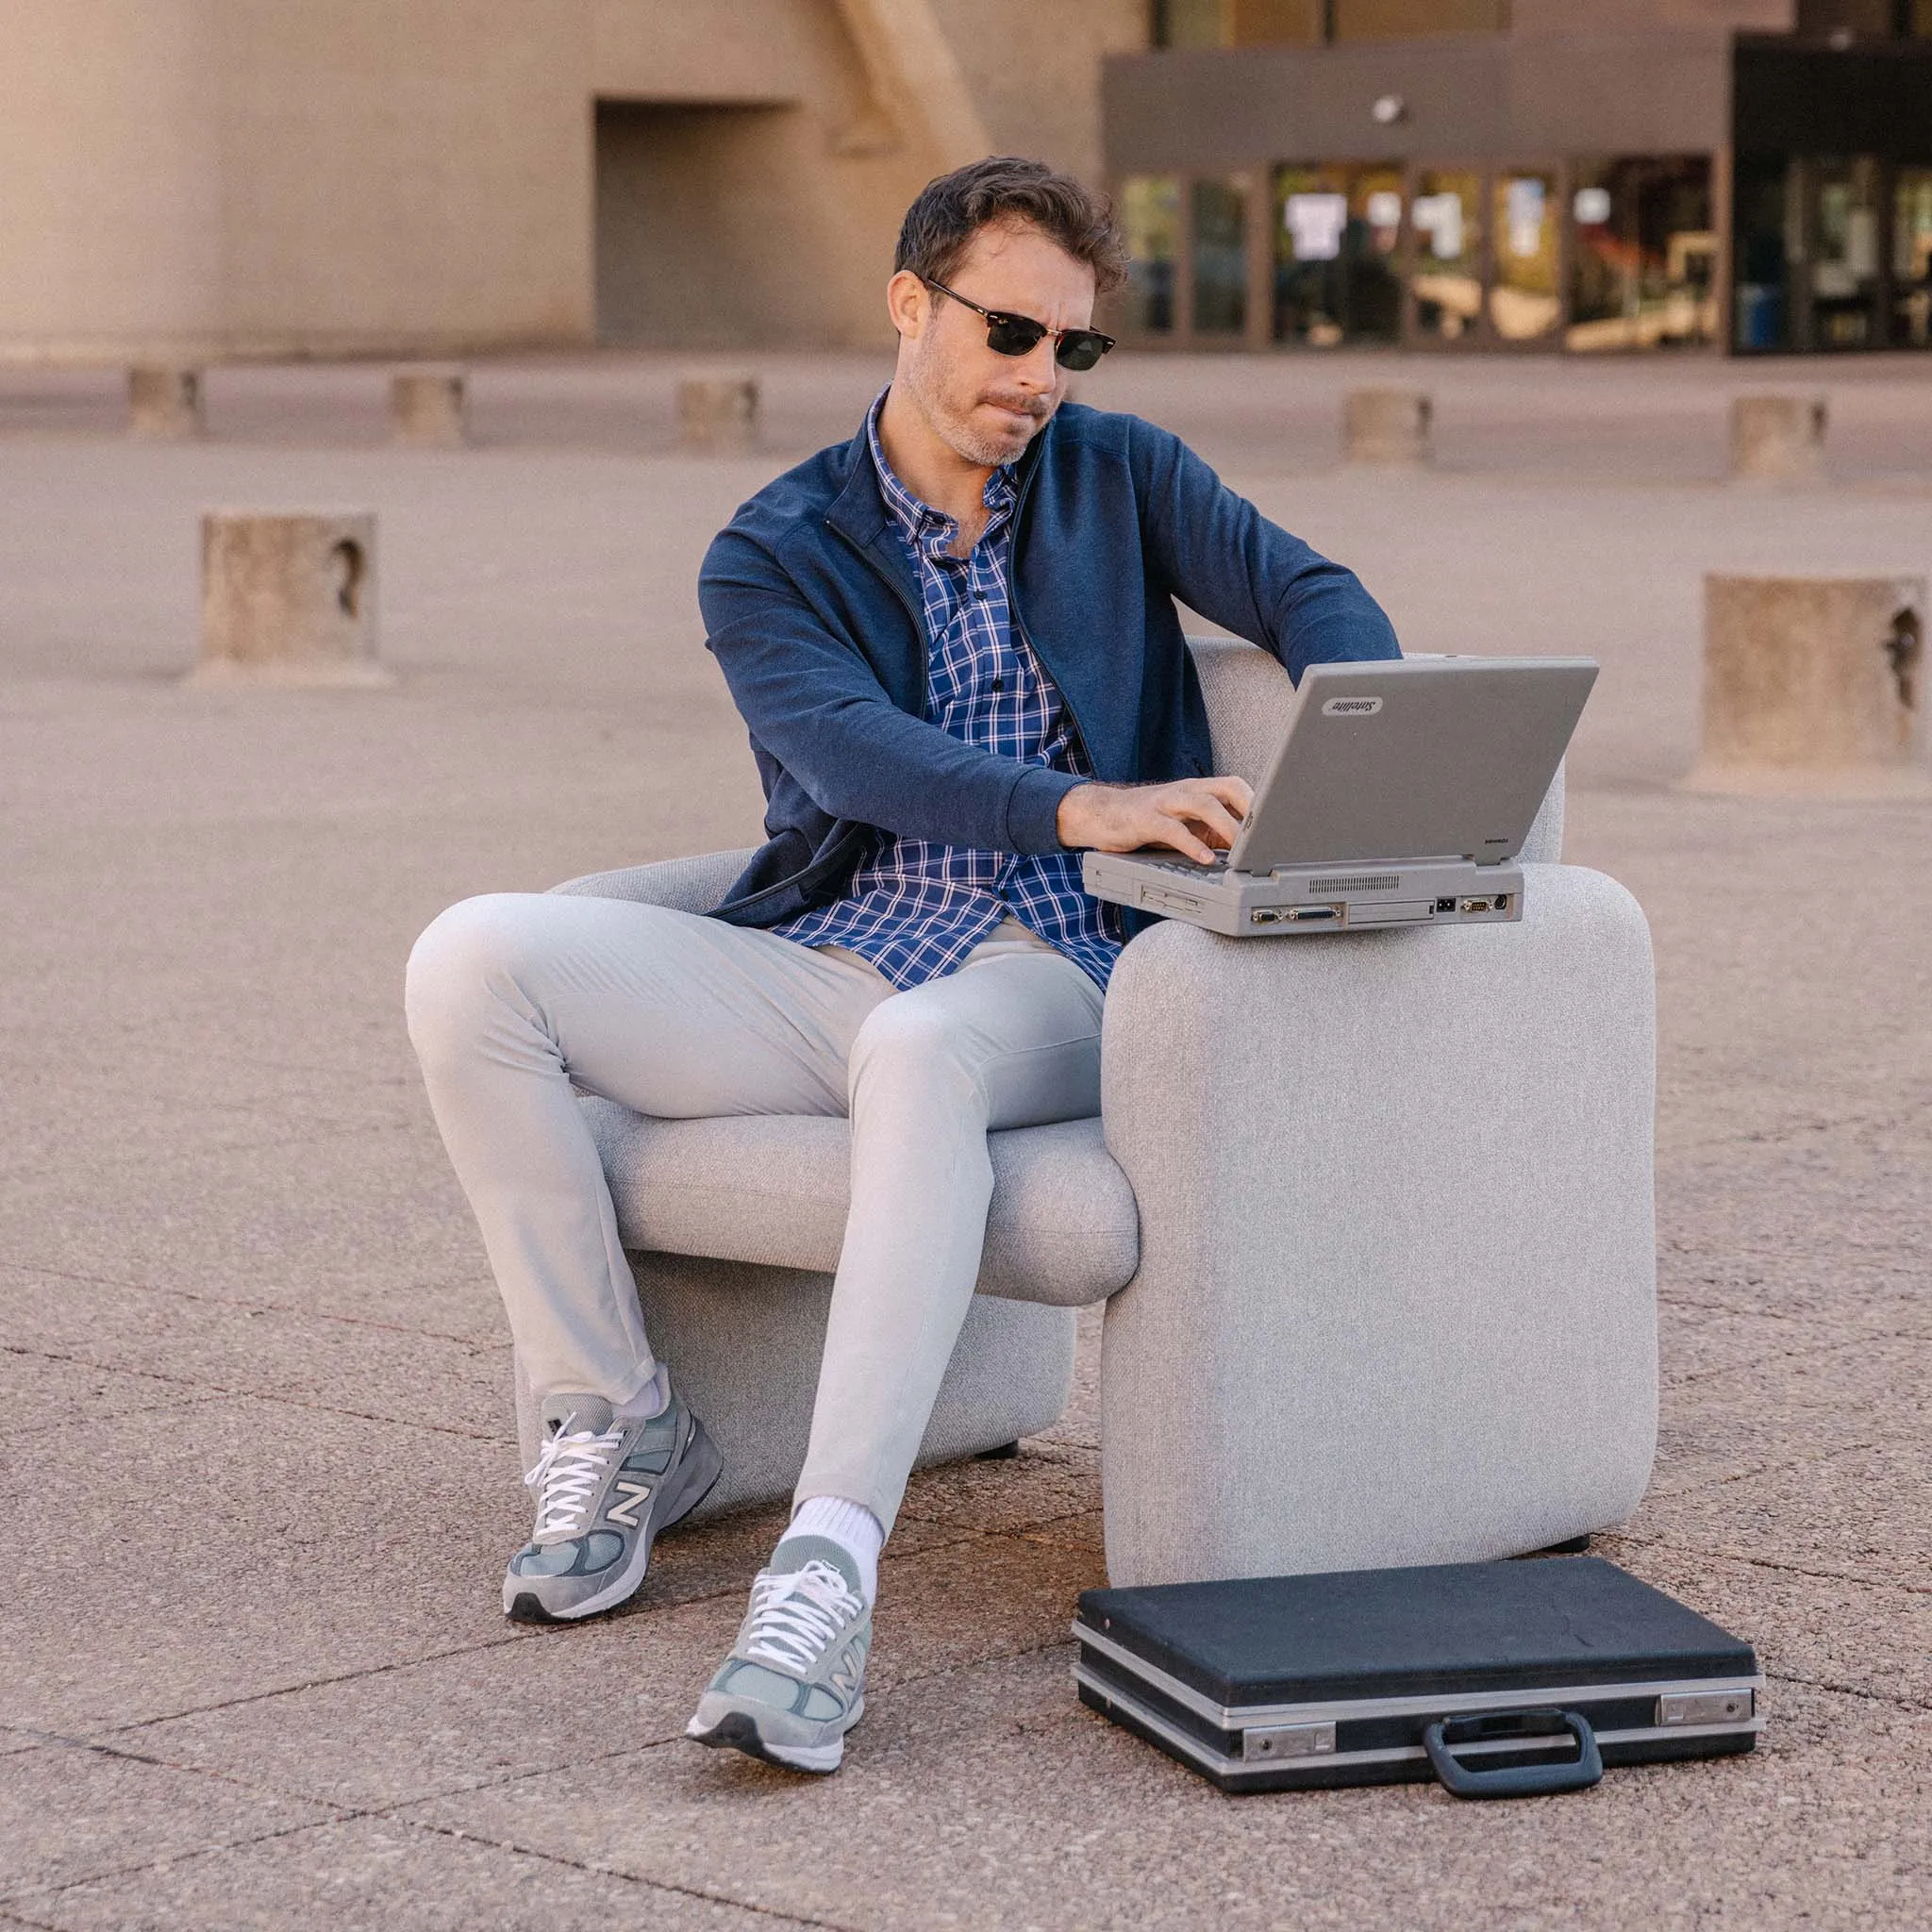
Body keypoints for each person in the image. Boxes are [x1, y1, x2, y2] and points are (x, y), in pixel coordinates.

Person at [404, 155, 1400, 1776]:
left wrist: (1362, 751)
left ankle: (827, 1570)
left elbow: (1310, 590)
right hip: (840, 955)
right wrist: (1087, 800)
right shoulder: (771, 548)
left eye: (1073, 348)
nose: (1040, 380)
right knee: (471, 961)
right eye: (1011, 332)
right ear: (907, 303)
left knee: (926, 1051)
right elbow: (855, 757)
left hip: (1062, 971)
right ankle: (613, 1412)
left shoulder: (1121, 474)